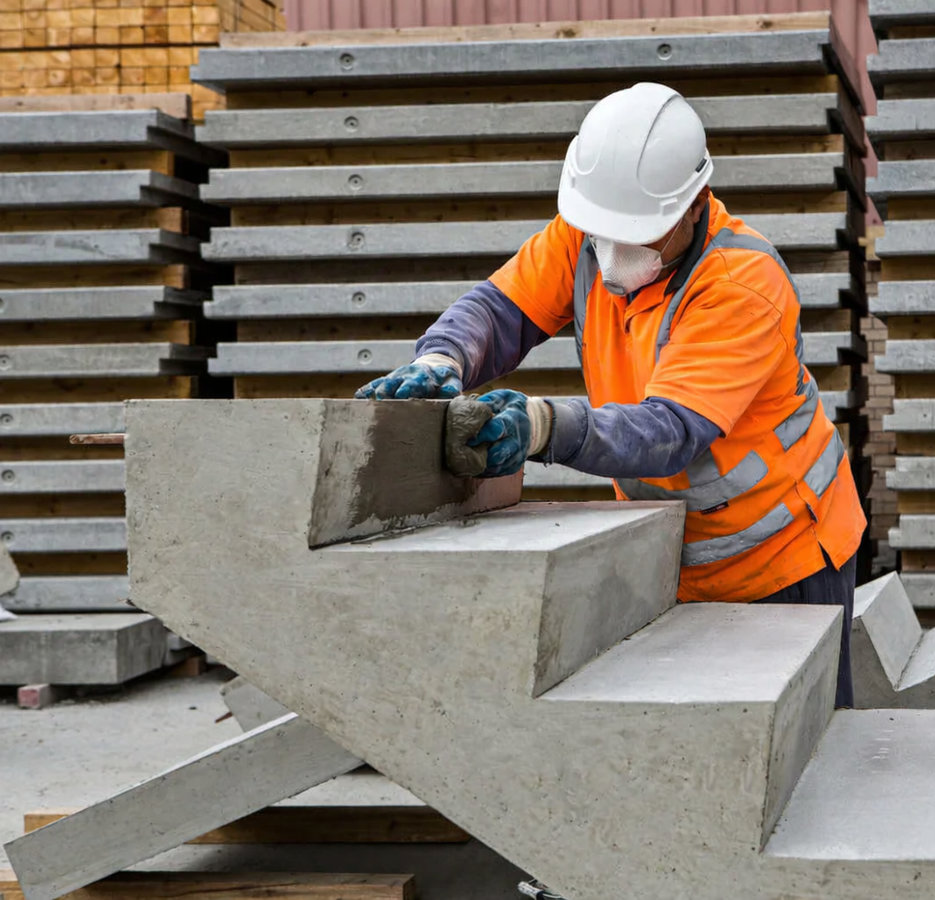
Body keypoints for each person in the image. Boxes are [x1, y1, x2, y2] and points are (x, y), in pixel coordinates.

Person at [357, 82, 866, 709]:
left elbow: (670, 432)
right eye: (601, 232)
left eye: (637, 235)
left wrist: (544, 426)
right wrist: (444, 357)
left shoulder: (741, 284)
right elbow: (500, 309)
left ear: (692, 205)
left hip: (785, 561)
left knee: (801, 766)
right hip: (676, 556)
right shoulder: (587, 235)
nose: (612, 252)